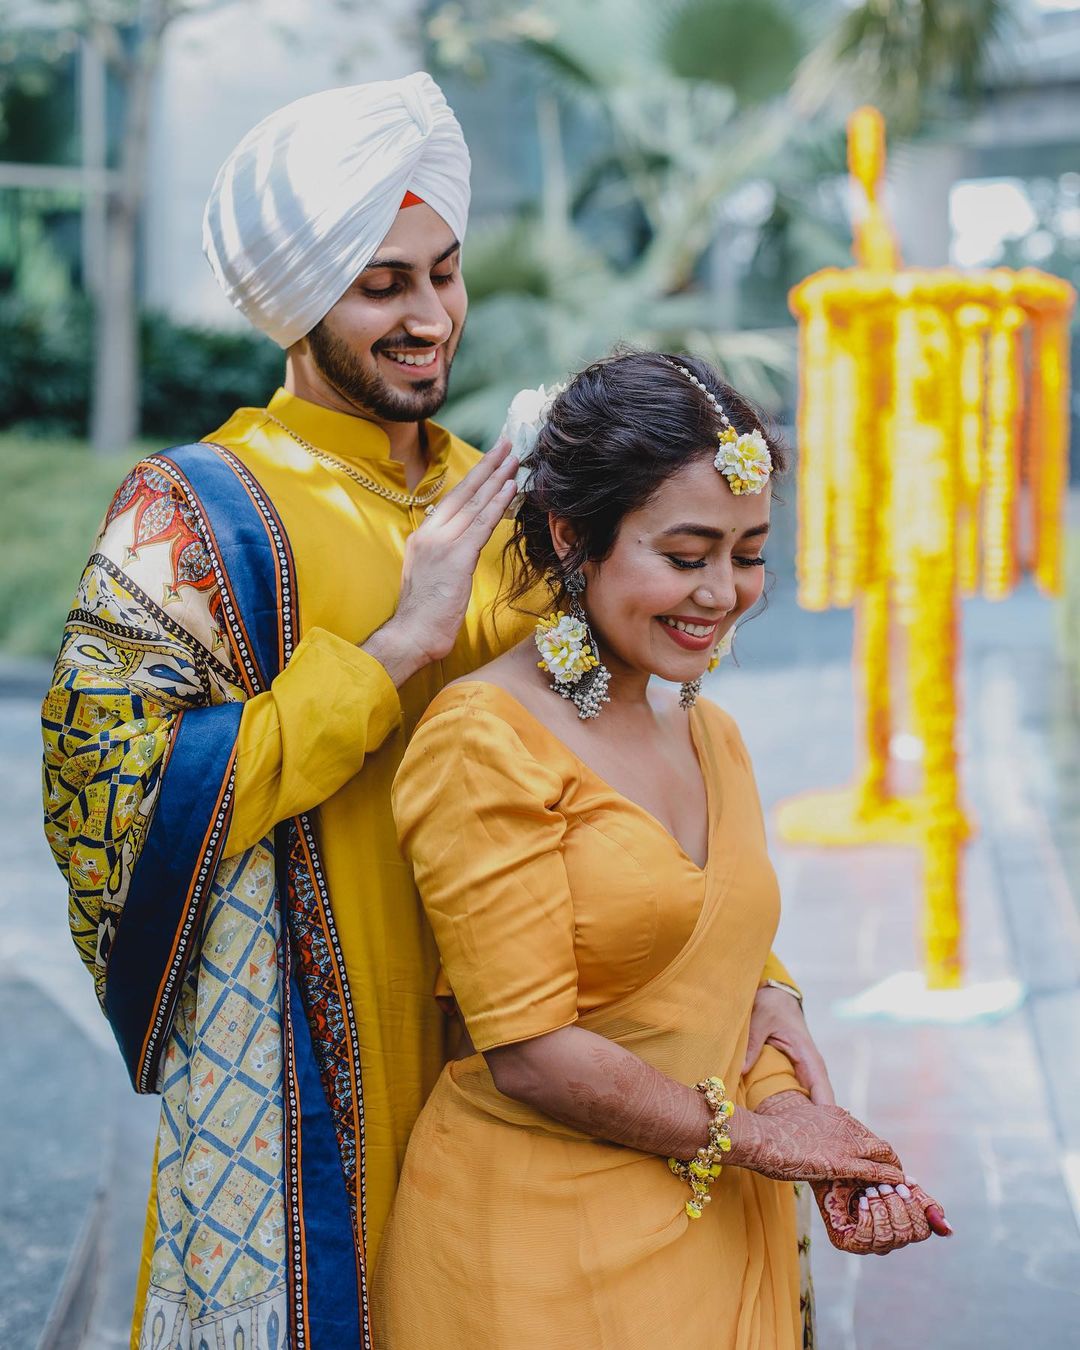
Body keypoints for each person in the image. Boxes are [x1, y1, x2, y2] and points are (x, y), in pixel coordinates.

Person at [40, 75, 828, 1346]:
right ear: (299, 303)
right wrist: (393, 650)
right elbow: (106, 804)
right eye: (383, 285)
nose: (430, 317)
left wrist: (756, 972)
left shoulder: (520, 502)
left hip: (553, 1084)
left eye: (444, 274)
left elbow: (641, 763)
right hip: (314, 1071)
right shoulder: (187, 518)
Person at [375, 351, 950, 1349]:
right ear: (573, 537)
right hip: (532, 1267)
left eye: (748, 552)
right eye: (686, 556)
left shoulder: (709, 733)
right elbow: (529, 1053)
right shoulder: (485, 740)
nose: (722, 592)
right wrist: (761, 1139)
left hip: (720, 1240)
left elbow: (721, 983)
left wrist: (823, 1145)